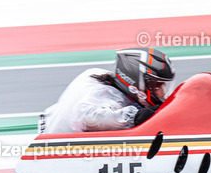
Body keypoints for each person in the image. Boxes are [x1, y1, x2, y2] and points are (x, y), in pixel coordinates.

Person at [38, 48, 176, 134]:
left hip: (55, 146)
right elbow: (84, 115)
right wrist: (135, 117)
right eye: (157, 87)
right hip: (63, 159)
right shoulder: (113, 95)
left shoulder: (97, 75)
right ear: (136, 81)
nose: (162, 94)